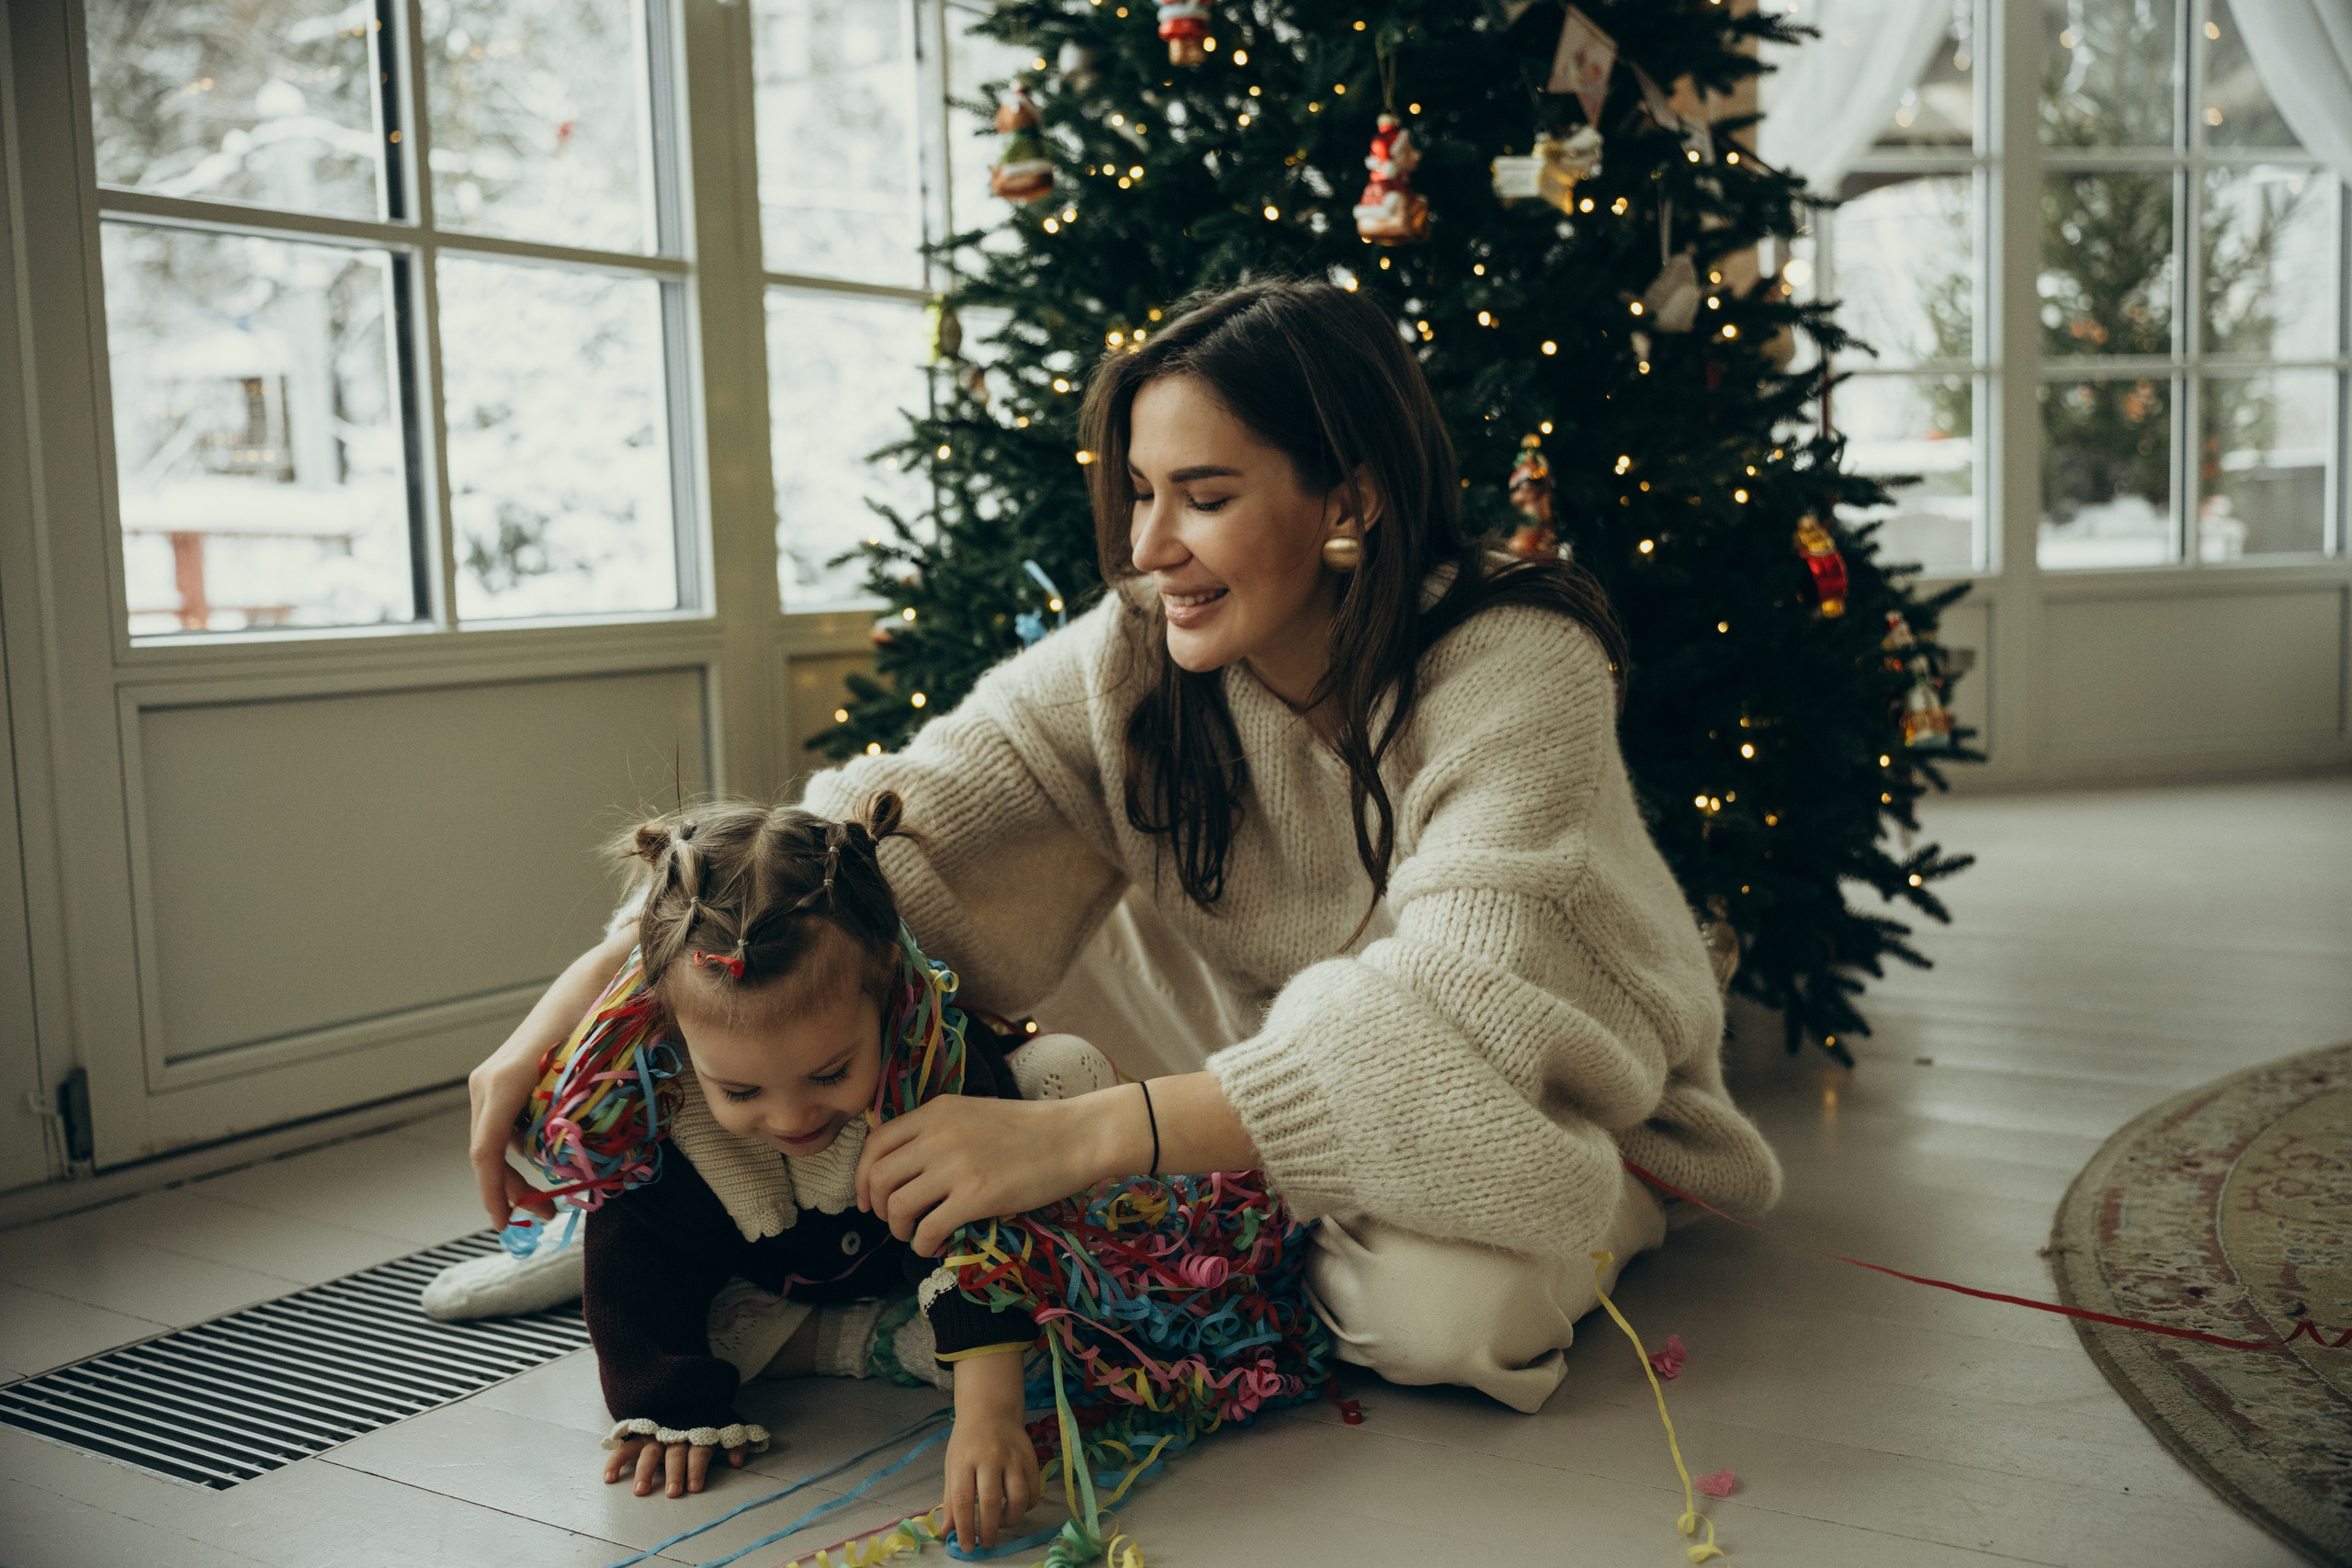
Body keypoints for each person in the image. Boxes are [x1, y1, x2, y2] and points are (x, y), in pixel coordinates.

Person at [469, 276, 1781, 1421]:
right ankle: (684, 1208)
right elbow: (870, 834)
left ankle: (908, 1249)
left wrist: (1076, 1142)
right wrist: (577, 1007)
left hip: (1551, 1088)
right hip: (1256, 1033)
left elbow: (1453, 1004)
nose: (1149, 549)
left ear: (1351, 498)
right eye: (1142, 492)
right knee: (831, 950)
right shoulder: (1139, 651)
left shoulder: (1518, 660)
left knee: (1442, 1324)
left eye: (1203, 497)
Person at [569, 791, 1114, 1552]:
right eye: (741, 1090)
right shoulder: (661, 1110)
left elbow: (978, 1235)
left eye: (829, 1073)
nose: (792, 1117)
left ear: (885, 984)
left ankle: (904, 1336)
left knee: (1064, 1087)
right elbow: (633, 1269)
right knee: (657, 1321)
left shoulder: (933, 1061)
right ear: (671, 1025)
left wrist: (988, 1416)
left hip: (907, 1258)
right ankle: (858, 1340)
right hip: (764, 1281)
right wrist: (668, 1407)